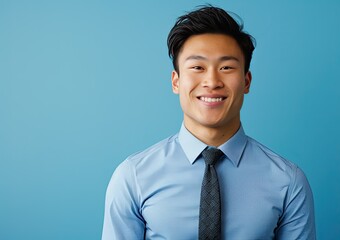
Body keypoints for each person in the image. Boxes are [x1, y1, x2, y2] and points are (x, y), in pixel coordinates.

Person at [102, 5, 316, 240]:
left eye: (226, 67)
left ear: (246, 81)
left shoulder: (288, 182)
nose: (212, 81)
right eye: (197, 67)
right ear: (176, 82)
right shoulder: (133, 177)